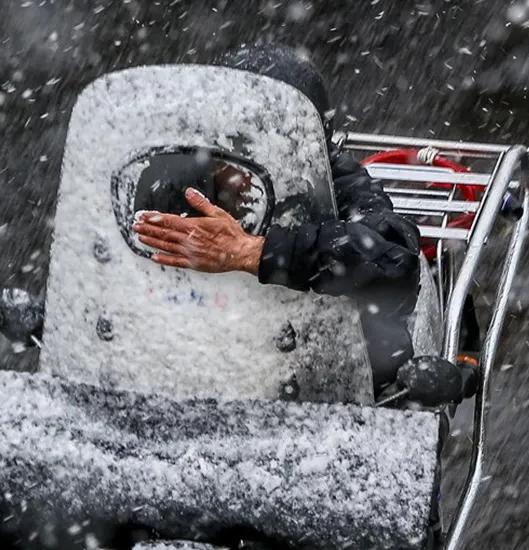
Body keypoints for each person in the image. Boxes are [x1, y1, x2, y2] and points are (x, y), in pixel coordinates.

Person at [132, 45, 480, 399]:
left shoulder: (337, 180)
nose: (240, 171)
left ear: (301, 143)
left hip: (325, 388)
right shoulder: (177, 184)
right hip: (207, 374)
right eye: (232, 146)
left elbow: (393, 259)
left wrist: (254, 251)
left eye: (261, 149)